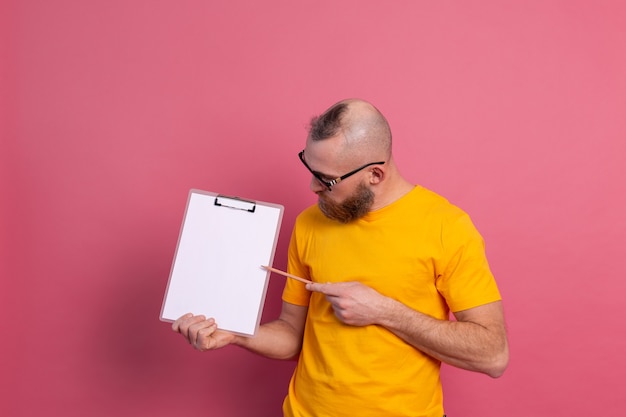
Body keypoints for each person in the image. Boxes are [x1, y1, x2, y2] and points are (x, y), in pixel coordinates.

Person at [173, 99, 509, 417]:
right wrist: (237, 334)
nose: (312, 187)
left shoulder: (446, 227)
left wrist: (383, 310)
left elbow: (493, 355)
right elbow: (292, 335)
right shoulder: (309, 224)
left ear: (375, 175)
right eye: (310, 167)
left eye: (326, 180)